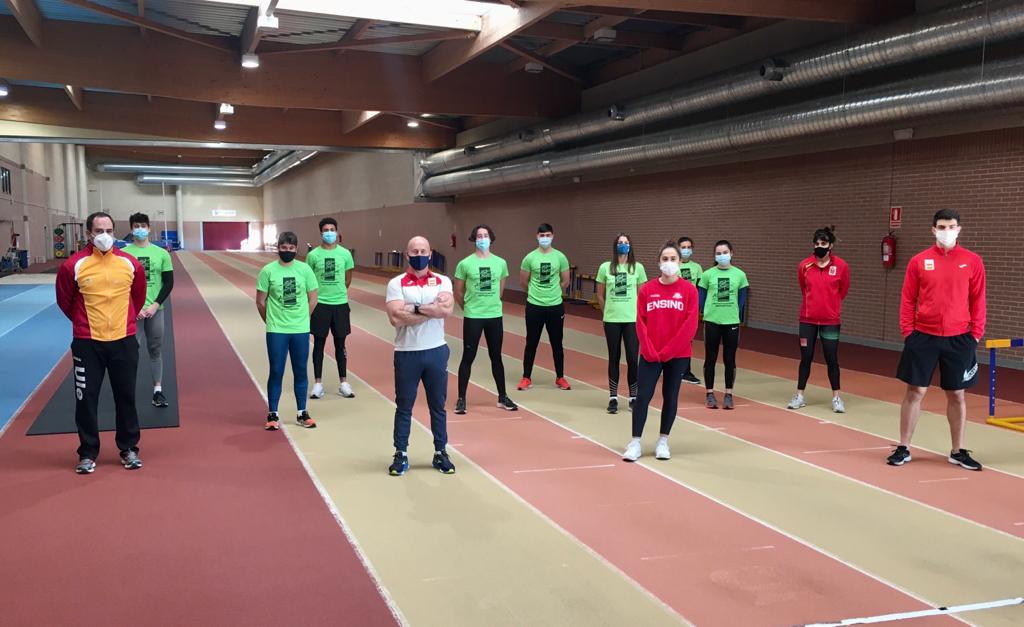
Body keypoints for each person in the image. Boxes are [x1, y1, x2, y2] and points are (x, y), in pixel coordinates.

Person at [888, 209, 986, 471]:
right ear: (933, 230)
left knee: (956, 394)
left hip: (960, 338)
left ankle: (957, 451)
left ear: (959, 228)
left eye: (951, 226)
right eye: (942, 227)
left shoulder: (972, 261)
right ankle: (904, 446)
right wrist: (908, 332)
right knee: (915, 391)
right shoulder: (919, 261)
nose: (947, 231)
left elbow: (978, 300)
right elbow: (908, 299)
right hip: (923, 336)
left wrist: (975, 333)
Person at [56, 211, 147, 474]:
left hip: (124, 340)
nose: (104, 236)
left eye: (108, 230)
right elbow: (66, 302)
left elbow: (137, 298)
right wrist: (85, 324)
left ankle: (129, 448)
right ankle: (87, 453)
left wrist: (124, 322)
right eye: (99, 231)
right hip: (88, 344)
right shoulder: (72, 265)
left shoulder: (130, 264)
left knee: (126, 397)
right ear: (88, 234)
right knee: (86, 399)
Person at [385, 236, 456, 476]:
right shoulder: (396, 284)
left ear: (430, 253)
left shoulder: (442, 281)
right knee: (404, 406)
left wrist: (412, 308)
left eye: (423, 250)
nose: (419, 254)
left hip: (436, 351)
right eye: (414, 251)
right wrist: (430, 311)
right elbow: (395, 317)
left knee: (438, 405)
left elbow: (447, 310)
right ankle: (401, 453)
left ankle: (440, 452)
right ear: (407, 255)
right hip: (407, 354)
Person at [623, 242, 699, 462]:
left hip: (677, 355)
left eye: (673, 259)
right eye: (664, 259)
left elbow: (690, 325)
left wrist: (668, 351)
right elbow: (641, 322)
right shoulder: (647, 289)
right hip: (650, 354)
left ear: (680, 262)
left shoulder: (689, 290)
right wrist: (649, 349)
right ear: (658, 263)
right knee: (643, 396)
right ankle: (635, 442)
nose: (669, 263)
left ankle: (663, 441)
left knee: (670, 396)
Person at [256, 232, 318, 430]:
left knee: (301, 370)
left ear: (296, 249)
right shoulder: (268, 271)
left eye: (291, 249)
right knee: (276, 370)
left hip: (300, 329)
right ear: (278, 248)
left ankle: (302, 412)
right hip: (277, 330)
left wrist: (304, 318)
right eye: (284, 248)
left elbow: (313, 298)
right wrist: (271, 321)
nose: (288, 251)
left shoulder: (305, 270)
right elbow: (260, 301)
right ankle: (272, 413)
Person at [453, 225, 517, 414]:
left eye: (486, 235)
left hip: (494, 316)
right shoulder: (465, 264)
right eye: (479, 236)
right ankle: (462, 398)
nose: (482, 239)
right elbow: (458, 291)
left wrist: (492, 304)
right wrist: (469, 308)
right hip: (474, 316)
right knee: (468, 357)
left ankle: (502, 396)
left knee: (496, 357)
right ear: (474, 239)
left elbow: (500, 288)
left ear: (491, 239)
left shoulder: (500, 263)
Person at [788, 226, 851, 413]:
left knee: (831, 358)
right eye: (816, 243)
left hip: (830, 321)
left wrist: (830, 306)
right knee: (805, 357)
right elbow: (803, 288)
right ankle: (799, 395)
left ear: (830, 245)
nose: (819, 247)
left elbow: (843, 290)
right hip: (807, 320)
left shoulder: (841, 266)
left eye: (823, 243)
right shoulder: (804, 266)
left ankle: (837, 398)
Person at [122, 212, 174, 409]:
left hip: (155, 311)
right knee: (130, 351)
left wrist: (154, 304)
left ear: (149, 228)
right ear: (131, 228)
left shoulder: (161, 254)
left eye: (143, 225)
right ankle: (127, 392)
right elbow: (121, 284)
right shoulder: (125, 255)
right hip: (132, 312)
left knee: (155, 349)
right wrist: (134, 306)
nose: (140, 229)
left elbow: (168, 283)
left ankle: (157, 391)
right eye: (136, 226)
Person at [305, 217, 356, 400]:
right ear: (321, 233)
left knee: (340, 344)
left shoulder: (345, 254)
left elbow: (348, 278)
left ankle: (344, 382)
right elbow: (309, 281)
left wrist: (339, 293)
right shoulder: (313, 256)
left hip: (340, 305)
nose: (329, 232)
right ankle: (318, 384)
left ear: (337, 231)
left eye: (332, 229)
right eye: (326, 229)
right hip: (320, 305)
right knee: (318, 344)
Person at [596, 233, 647, 414]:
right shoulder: (606, 267)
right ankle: (613, 397)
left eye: (626, 243)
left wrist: (641, 317)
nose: (623, 245)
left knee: (633, 358)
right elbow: (600, 294)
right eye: (620, 243)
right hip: (612, 320)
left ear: (630, 246)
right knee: (614, 357)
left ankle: (633, 396)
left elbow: (643, 295)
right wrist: (606, 312)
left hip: (631, 320)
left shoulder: (638, 268)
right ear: (615, 246)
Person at [519, 223, 572, 391]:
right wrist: (536, 294)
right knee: (531, 342)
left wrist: (553, 292)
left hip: (555, 306)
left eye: (547, 235)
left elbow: (565, 281)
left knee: (557, 343)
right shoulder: (529, 258)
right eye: (541, 236)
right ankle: (526, 377)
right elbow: (523, 282)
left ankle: (560, 377)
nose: (544, 238)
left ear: (553, 236)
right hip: (534, 306)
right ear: (537, 236)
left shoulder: (560, 257)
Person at [698, 240, 749, 410]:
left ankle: (728, 394)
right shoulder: (707, 275)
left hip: (731, 322)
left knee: (730, 359)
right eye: (718, 253)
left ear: (731, 253)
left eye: (725, 252)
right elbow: (701, 297)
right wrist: (706, 313)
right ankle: (710, 393)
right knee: (710, 358)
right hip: (712, 321)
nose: (722, 256)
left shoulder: (740, 275)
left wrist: (735, 313)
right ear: (714, 256)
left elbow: (742, 299)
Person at [677, 236, 703, 385]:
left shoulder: (697, 267)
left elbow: (700, 288)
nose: (686, 250)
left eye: (688, 247)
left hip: (690, 308)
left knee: (688, 339)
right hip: (676, 307)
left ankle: (686, 370)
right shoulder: (674, 265)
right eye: (683, 247)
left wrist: (698, 306)